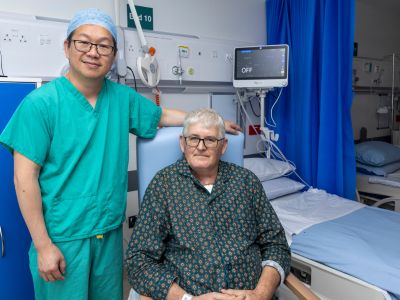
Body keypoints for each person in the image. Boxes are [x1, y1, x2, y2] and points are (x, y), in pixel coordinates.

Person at [0, 9, 240, 300]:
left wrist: (210, 120)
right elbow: (23, 178)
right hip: (61, 238)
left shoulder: (121, 98)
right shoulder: (40, 105)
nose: (93, 52)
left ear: (113, 55)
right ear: (67, 47)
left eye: (104, 45)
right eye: (84, 43)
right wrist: (43, 245)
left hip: (108, 234)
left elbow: (161, 115)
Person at [126, 108, 290, 300]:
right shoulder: (164, 185)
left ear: (224, 146)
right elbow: (139, 260)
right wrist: (188, 299)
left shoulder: (246, 182)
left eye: (210, 140)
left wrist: (261, 293)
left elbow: (276, 244)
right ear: (182, 143)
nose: (201, 146)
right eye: (193, 138)